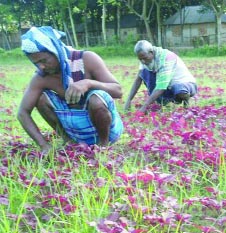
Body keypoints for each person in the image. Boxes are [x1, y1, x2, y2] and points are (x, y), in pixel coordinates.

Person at [18, 26, 124, 154]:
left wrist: (88, 83)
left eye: (44, 60)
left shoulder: (87, 59)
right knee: (40, 98)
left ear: (55, 51)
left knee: (97, 98)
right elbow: (23, 112)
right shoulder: (41, 77)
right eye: (36, 63)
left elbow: (118, 91)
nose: (41, 66)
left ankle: (103, 145)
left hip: (108, 130)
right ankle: (69, 142)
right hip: (75, 132)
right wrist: (44, 146)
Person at [124, 40, 197, 113]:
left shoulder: (166, 58)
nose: (143, 61)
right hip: (167, 86)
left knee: (179, 90)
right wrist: (129, 100)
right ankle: (162, 102)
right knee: (144, 72)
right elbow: (138, 79)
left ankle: (186, 100)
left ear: (151, 53)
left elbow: (161, 87)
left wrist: (145, 106)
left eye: (144, 58)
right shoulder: (145, 60)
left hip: (184, 84)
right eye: (140, 59)